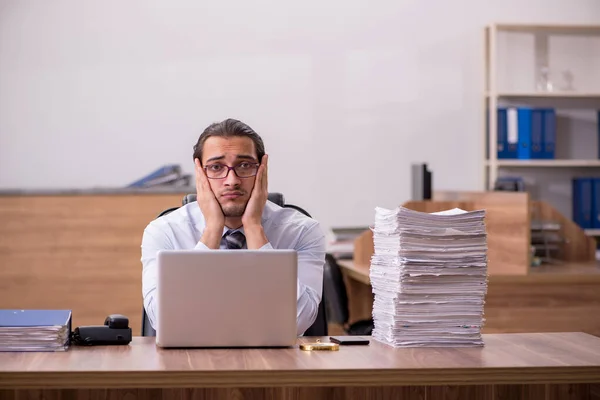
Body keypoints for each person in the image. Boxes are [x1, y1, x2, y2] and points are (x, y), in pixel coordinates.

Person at [141, 118, 326, 336]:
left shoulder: (302, 231)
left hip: (276, 362)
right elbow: (164, 322)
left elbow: (298, 321)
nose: (231, 180)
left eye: (245, 165)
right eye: (217, 167)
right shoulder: (164, 231)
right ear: (200, 172)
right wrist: (212, 230)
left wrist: (254, 228)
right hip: (190, 361)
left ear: (262, 171)